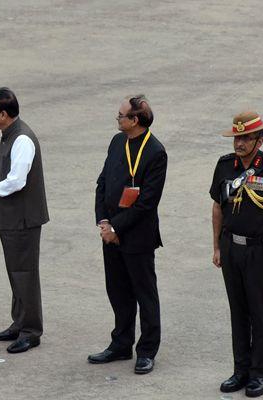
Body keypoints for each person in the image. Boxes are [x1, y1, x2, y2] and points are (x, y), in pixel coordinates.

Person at [210, 111, 263, 397]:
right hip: (231, 247)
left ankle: (258, 374)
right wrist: (216, 246)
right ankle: (240, 370)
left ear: (259, 140)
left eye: (246, 137)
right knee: (238, 311)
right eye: (237, 137)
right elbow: (217, 207)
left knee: (258, 313)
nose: (240, 143)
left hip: (259, 251)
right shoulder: (225, 166)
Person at [90, 95, 167, 374]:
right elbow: (102, 183)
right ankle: (121, 343)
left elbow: (147, 202)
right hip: (110, 231)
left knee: (144, 293)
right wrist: (103, 221)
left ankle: (146, 350)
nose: (118, 119)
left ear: (136, 120)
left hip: (136, 236)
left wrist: (117, 228)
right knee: (118, 291)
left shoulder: (155, 152)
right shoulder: (116, 142)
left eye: (121, 116)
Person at [0, 87, 49, 354]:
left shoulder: (22, 139)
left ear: (4, 114)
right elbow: (1, 170)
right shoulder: (8, 135)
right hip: (11, 218)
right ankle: (19, 323)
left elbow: (17, 180)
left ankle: (31, 331)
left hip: (23, 219)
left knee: (25, 274)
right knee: (15, 273)